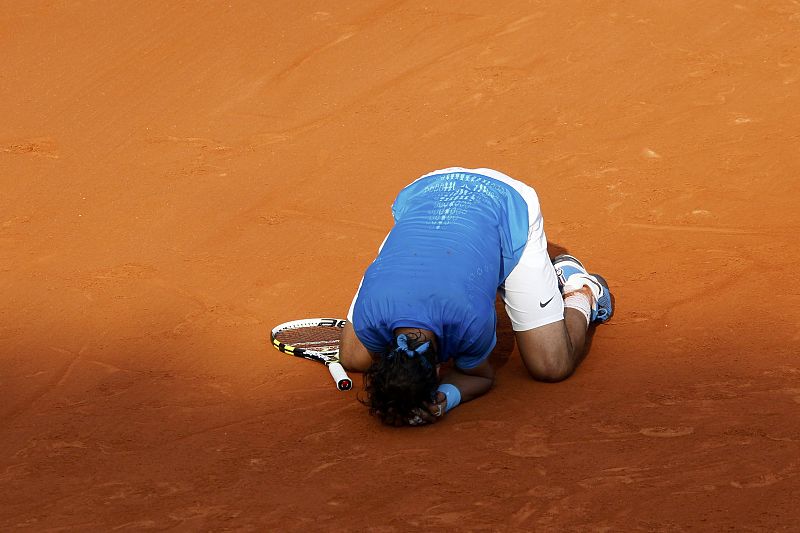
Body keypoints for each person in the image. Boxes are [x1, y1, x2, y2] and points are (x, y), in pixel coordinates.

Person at [339, 167, 613, 426]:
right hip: (427, 191)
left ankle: (582, 289)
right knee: (353, 357)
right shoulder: (371, 313)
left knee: (551, 365)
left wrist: (448, 398)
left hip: (505, 205)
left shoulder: (468, 319)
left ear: (438, 371)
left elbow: (480, 375)